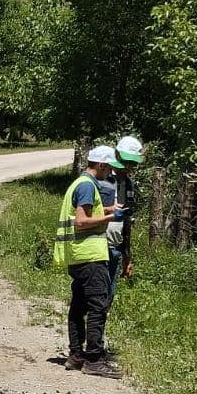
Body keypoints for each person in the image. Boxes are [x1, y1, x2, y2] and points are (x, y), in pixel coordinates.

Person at [53, 145, 120, 377]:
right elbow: (81, 221)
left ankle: (76, 355)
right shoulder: (87, 186)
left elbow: (83, 214)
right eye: (109, 167)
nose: (110, 172)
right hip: (90, 255)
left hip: (78, 255)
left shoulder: (80, 183)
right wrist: (112, 217)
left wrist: (109, 209)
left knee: (79, 306)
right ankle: (94, 359)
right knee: (97, 306)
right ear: (100, 165)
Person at [108, 133, 144, 300]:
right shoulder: (102, 178)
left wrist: (127, 255)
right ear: (117, 155)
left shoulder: (128, 184)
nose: (128, 166)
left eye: (132, 163)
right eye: (126, 161)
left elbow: (126, 219)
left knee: (108, 295)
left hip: (115, 248)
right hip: (96, 246)